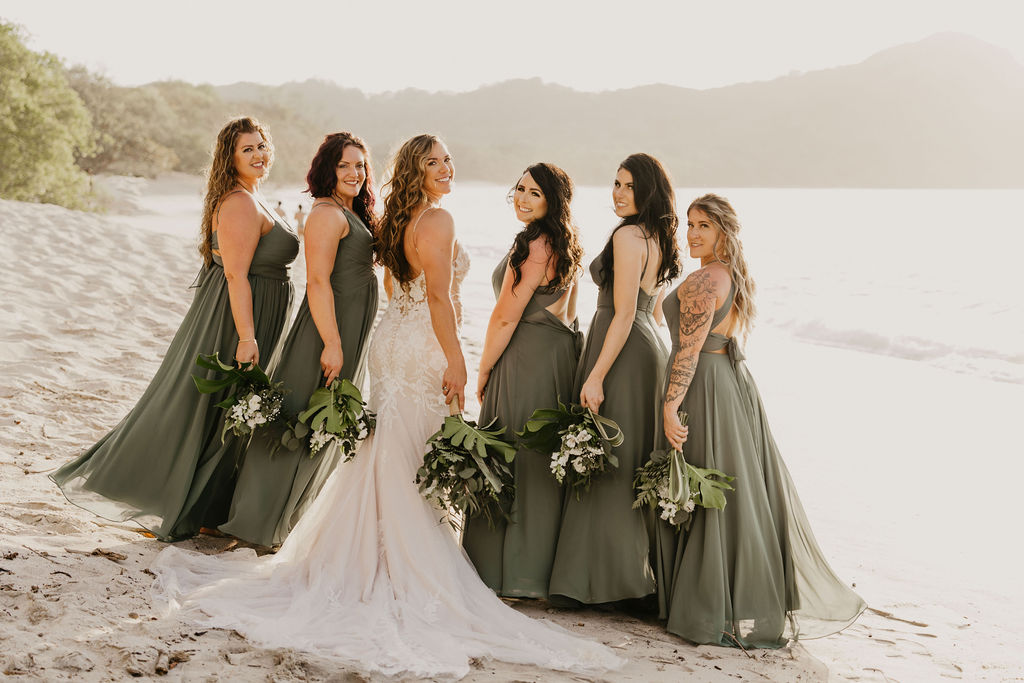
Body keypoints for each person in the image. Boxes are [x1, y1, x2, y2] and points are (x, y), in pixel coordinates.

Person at [150, 135, 622, 680]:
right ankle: (402, 565)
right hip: (420, 343)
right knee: (408, 450)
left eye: (448, 158)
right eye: (435, 161)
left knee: (390, 451)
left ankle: (362, 559)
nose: (447, 167)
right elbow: (440, 299)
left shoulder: (397, 220)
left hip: (392, 338)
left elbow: (404, 289)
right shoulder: (438, 221)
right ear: (417, 171)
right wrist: (458, 360)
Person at [50, 116, 299, 541]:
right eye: (247, 149)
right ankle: (175, 502)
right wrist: (246, 336)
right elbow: (237, 276)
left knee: (229, 409)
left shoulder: (256, 198)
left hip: (255, 313)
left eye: (261, 146)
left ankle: (208, 509)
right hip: (238, 319)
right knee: (209, 407)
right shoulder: (239, 202)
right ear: (230, 158)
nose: (258, 155)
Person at [658, 193, 865, 648]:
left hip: (707, 387)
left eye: (703, 227)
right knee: (734, 492)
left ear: (723, 233)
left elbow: (688, 353)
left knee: (708, 490)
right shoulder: (730, 275)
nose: (691, 233)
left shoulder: (705, 281)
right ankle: (734, 603)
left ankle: (709, 604)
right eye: (689, 224)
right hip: (733, 384)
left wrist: (670, 405)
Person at [217, 132, 379, 547]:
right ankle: (253, 524)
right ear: (327, 169)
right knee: (296, 419)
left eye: (360, 165)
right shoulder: (326, 213)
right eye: (344, 165)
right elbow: (319, 283)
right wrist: (332, 342)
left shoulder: (348, 210)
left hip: (347, 328)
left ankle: (283, 522)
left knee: (320, 421)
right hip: (328, 330)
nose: (354, 172)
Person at [548, 153, 680, 606]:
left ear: (647, 191)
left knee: (609, 462)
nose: (618, 193)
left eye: (628, 185)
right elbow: (654, 310)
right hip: (646, 349)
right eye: (616, 183)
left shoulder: (627, 235)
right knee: (628, 461)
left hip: (621, 350)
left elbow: (624, 314)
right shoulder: (657, 236)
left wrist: (597, 375)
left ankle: (602, 584)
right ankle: (631, 579)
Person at [463, 163, 583, 598]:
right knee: (540, 460)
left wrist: (483, 369)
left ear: (553, 200)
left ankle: (507, 575)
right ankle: (535, 573)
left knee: (511, 452)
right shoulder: (564, 242)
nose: (523, 198)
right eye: (519, 189)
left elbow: (505, 315)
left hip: (526, 356)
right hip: (555, 357)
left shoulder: (532, 242)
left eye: (534, 192)